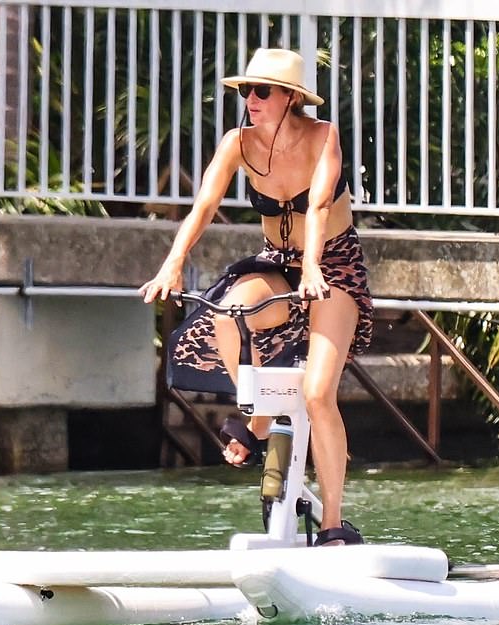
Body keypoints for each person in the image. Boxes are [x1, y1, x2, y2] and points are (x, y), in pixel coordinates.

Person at [140, 48, 373, 546]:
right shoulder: (237, 144)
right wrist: (173, 262)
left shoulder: (323, 136)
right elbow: (204, 204)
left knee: (316, 395)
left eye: (262, 91)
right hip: (278, 263)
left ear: (289, 98)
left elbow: (316, 207)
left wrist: (313, 266)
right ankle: (260, 416)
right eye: (246, 91)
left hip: (332, 266)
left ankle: (332, 524)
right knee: (230, 310)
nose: (251, 100)